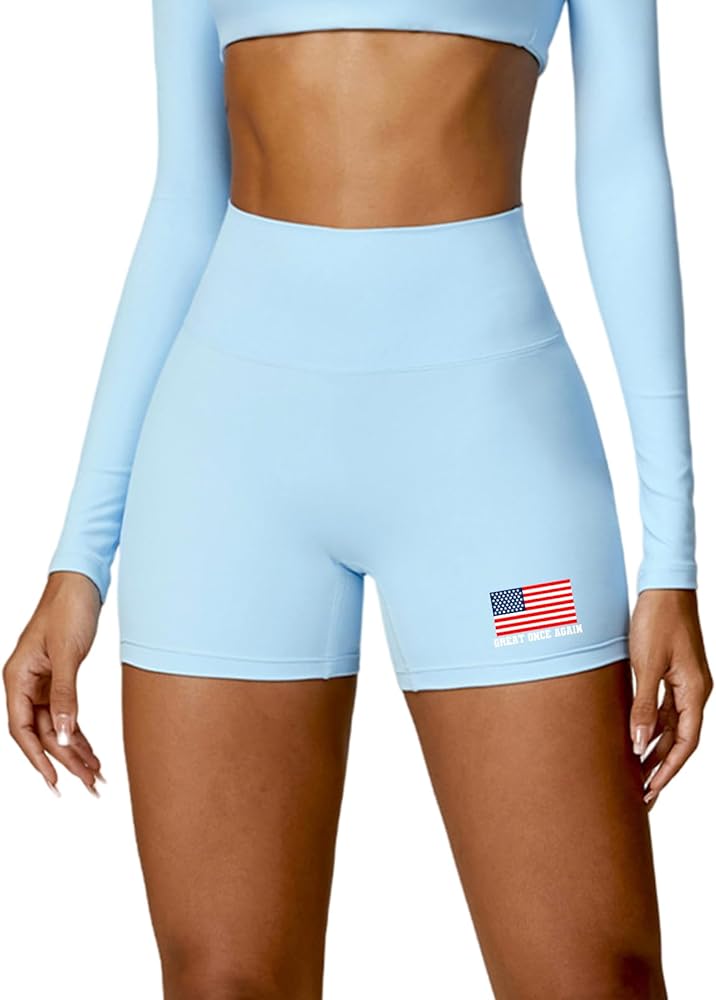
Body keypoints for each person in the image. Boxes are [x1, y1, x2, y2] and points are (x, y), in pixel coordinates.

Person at [3, 0, 712, 996]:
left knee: (596, 978)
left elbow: (624, 169)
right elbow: (185, 202)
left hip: (493, 465)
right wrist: (79, 559)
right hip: (226, 465)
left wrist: (670, 560)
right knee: (222, 983)